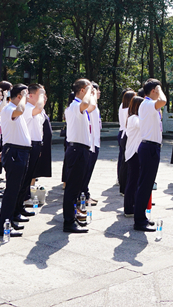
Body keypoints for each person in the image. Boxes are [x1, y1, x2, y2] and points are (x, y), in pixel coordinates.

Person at [0, 84, 32, 238]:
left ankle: (9, 221)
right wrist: (23, 96)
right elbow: (20, 110)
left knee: (16, 190)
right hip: (15, 152)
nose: (27, 98)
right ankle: (4, 226)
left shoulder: (13, 110)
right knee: (11, 191)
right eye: (25, 95)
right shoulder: (9, 109)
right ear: (19, 96)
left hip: (20, 152)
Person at [133, 79, 167, 232]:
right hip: (149, 147)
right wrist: (160, 90)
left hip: (151, 147)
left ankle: (142, 217)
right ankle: (139, 220)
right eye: (157, 89)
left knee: (147, 184)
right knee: (145, 184)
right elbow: (163, 101)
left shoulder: (149, 105)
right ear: (153, 90)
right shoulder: (147, 104)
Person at [62, 79, 95, 233]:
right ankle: (68, 222)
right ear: (82, 90)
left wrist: (91, 92)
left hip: (81, 149)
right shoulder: (76, 105)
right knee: (72, 188)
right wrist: (89, 90)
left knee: (76, 187)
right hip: (77, 150)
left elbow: (91, 106)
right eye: (87, 89)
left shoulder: (77, 106)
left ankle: (72, 216)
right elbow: (86, 104)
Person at [17, 84, 46, 218]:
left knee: (28, 178)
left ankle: (21, 205)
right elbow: (38, 108)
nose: (43, 97)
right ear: (30, 96)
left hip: (36, 144)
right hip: (28, 145)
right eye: (40, 94)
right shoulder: (27, 108)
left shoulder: (36, 110)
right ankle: (18, 206)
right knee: (24, 178)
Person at [123, 96, 144, 217]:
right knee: (132, 181)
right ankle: (128, 208)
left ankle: (133, 204)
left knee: (135, 181)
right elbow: (143, 124)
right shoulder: (133, 118)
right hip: (133, 154)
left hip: (135, 153)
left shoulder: (133, 118)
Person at [81, 82, 101, 206]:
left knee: (88, 172)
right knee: (85, 172)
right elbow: (92, 106)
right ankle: (83, 195)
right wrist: (91, 93)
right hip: (90, 144)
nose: (99, 93)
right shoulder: (89, 105)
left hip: (95, 142)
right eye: (96, 90)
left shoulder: (94, 106)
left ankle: (85, 193)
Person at [118, 90, 135, 195]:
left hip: (123, 133)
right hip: (127, 134)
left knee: (123, 160)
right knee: (126, 161)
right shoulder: (129, 110)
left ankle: (122, 184)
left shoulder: (122, 107)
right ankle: (124, 186)